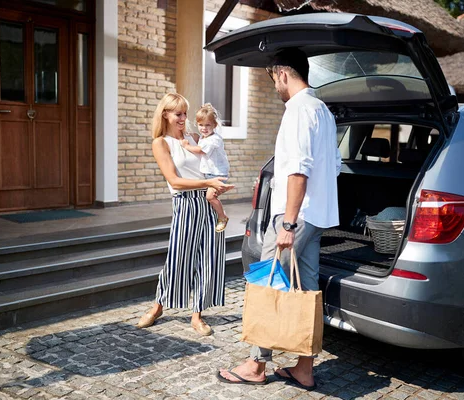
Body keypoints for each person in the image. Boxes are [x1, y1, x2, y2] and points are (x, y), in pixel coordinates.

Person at [217, 48, 341, 389]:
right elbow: (335, 166)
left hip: (295, 217)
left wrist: (287, 224)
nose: (275, 86)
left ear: (283, 74)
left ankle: (256, 365)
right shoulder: (323, 111)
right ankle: (304, 368)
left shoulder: (299, 110)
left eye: (274, 79)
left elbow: (298, 171)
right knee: (308, 290)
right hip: (316, 216)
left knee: (267, 281)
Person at [137, 93, 234, 336]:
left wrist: (216, 183)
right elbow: (175, 181)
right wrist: (207, 182)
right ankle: (159, 306)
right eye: (178, 114)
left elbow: (212, 164)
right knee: (178, 258)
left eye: (185, 113)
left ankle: (197, 315)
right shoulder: (160, 143)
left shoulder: (195, 137)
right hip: (185, 204)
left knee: (209, 259)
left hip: (207, 203)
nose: (183, 118)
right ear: (165, 115)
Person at [180, 103, 230, 232]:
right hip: (209, 173)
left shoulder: (214, 140)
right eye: (201, 125)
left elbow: (199, 150)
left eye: (208, 125)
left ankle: (222, 217)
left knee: (210, 197)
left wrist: (186, 146)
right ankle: (215, 215)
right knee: (210, 197)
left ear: (214, 125)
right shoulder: (204, 137)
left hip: (217, 174)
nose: (204, 128)